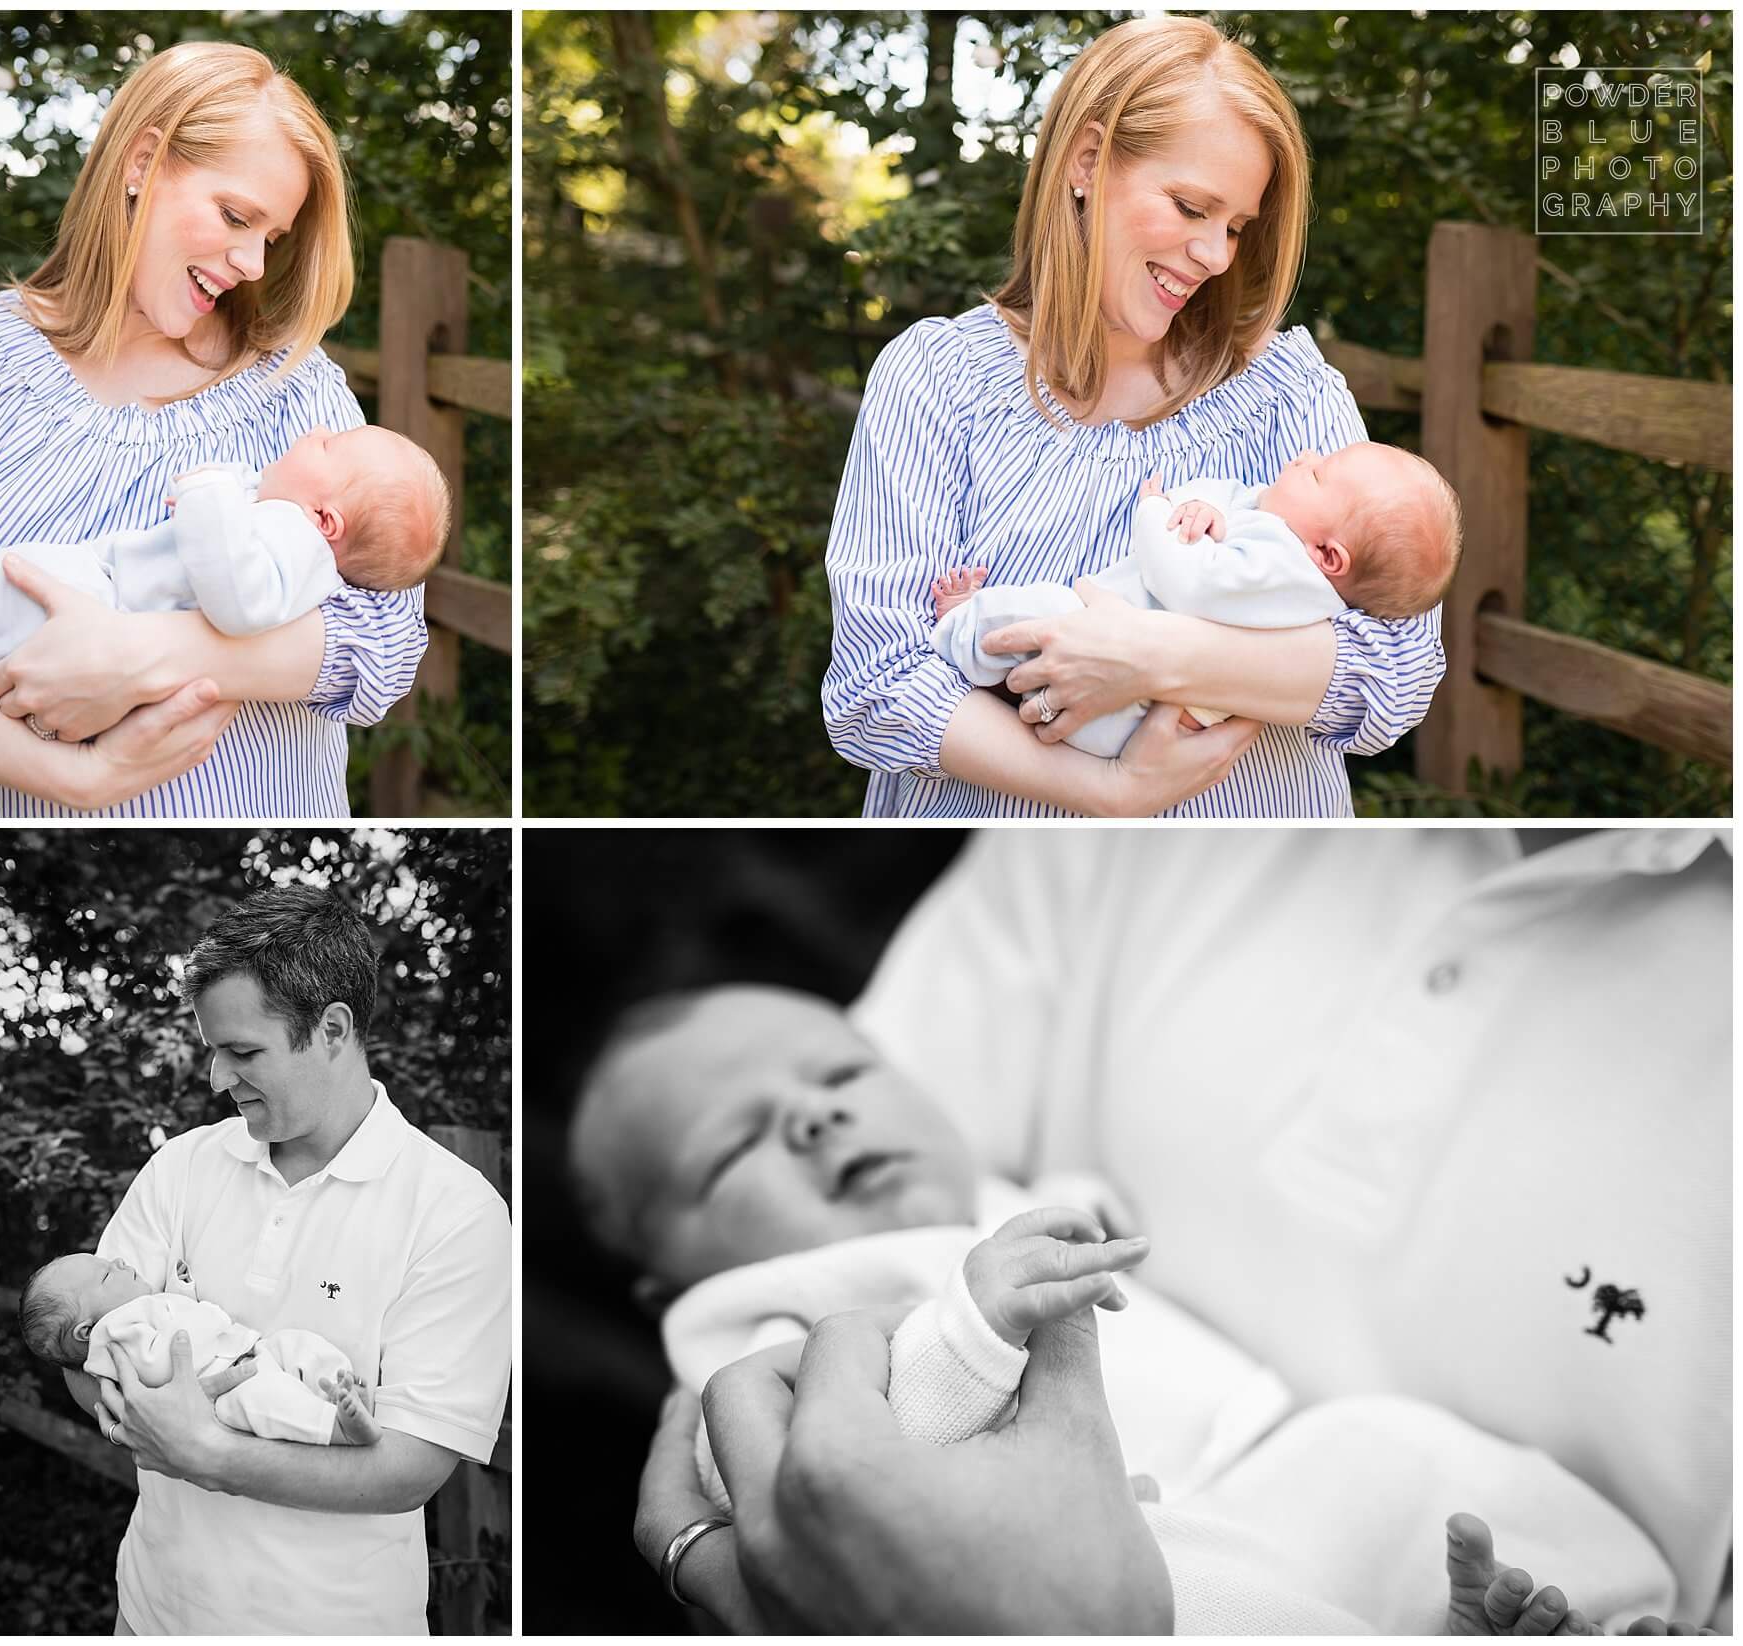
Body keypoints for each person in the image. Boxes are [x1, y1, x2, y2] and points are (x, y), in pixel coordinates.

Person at [634, 829, 1732, 1631]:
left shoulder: (999, 1184)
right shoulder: (744, 1320)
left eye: (843, 1073)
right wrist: (973, 1329)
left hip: (1289, 1472)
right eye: (733, 1148)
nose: (817, 1112)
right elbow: (819, 1469)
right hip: (1147, 1540)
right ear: (660, 1274)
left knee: (1412, 1482)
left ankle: (1569, 1611)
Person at [822, 16, 1446, 818]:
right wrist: (1114, 789)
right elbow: (876, 686)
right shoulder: (938, 381)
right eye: (1191, 207)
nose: (1217, 255)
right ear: (1086, 161)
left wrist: (1152, 656)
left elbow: (1397, 665)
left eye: (1235, 227)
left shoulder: (1288, 391)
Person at [0, 40, 428, 817]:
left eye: (271, 238)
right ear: (143, 161)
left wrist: (148, 655)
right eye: (235, 216)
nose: (253, 261)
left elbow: (385, 639)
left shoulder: (295, 391)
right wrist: (81, 780)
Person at [60, 883, 511, 1634]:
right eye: (213, 1051)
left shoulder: (455, 1210)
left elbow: (410, 1468)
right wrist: (137, 1420)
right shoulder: (178, 1168)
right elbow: (84, 1350)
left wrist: (203, 1448)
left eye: (242, 1052)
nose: (216, 1080)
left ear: (333, 1028)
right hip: (154, 1616)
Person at [932, 446, 1461, 754]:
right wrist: (1207, 509)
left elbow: (1185, 583)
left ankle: (962, 627)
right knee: (1041, 636)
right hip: (1127, 706)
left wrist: (1155, 511)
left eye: (1317, 473)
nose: (1304, 457)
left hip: (1132, 716)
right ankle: (996, 671)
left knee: (1034, 612)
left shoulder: (1285, 568)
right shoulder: (1282, 551)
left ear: (1328, 555)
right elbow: (1228, 508)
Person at [0, 426, 451, 669]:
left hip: (109, 604)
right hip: (103, 599)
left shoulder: (299, 545)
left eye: (329, 446)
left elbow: (239, 601)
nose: (315, 432)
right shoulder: (282, 522)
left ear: (325, 521)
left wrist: (208, 494)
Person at [19, 1252, 381, 1447]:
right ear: (86, 1331)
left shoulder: (134, 1311)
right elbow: (162, 1366)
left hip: (248, 1352)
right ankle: (336, 1429)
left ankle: (339, 1390)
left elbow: (170, 1319)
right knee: (270, 1401)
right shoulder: (112, 1336)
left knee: (297, 1344)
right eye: (105, 1275)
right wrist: (204, 1315)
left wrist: (181, 1290)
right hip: (228, 1392)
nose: (118, 1262)